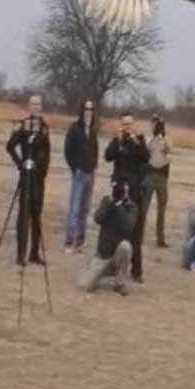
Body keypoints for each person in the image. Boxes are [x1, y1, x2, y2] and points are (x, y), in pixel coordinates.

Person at [5, 94, 50, 266]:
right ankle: (20, 254)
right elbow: (10, 146)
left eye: (39, 104)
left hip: (39, 179)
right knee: (23, 216)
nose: (37, 107)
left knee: (37, 215)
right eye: (34, 104)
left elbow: (47, 152)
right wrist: (20, 163)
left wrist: (42, 171)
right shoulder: (23, 126)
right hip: (26, 178)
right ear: (29, 106)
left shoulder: (45, 127)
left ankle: (34, 253)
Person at [104, 113, 149, 282]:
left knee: (136, 232)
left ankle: (136, 271)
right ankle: (115, 267)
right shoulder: (118, 140)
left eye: (129, 124)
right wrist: (117, 140)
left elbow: (146, 157)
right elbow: (108, 156)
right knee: (117, 229)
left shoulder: (139, 140)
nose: (126, 127)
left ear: (133, 125)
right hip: (119, 189)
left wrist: (134, 140)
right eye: (124, 124)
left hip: (135, 191)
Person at [78, 182, 137, 295]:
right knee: (84, 285)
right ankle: (93, 269)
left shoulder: (131, 207)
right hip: (103, 255)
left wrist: (119, 206)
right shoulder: (107, 202)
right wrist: (109, 204)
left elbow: (128, 226)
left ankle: (120, 282)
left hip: (117, 257)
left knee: (126, 246)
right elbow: (97, 219)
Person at [61, 99, 98, 254]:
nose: (88, 112)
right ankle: (69, 241)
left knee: (85, 209)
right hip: (79, 174)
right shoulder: (75, 128)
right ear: (81, 111)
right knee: (74, 208)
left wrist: (94, 164)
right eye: (86, 109)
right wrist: (74, 167)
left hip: (91, 174)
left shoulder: (93, 131)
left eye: (91, 109)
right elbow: (67, 150)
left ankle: (79, 242)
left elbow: (95, 149)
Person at [141, 116, 172, 248]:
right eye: (153, 124)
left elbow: (169, 156)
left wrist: (164, 144)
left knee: (162, 209)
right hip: (150, 175)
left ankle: (160, 238)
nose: (155, 127)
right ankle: (139, 235)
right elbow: (145, 156)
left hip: (162, 177)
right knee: (144, 208)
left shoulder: (166, 141)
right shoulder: (149, 140)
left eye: (157, 125)